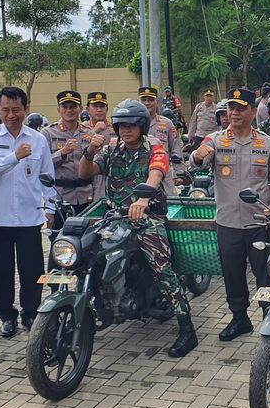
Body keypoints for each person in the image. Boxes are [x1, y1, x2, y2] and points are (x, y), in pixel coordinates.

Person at [79, 99, 198, 358]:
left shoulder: (154, 147)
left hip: (148, 217)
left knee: (162, 268)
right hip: (114, 218)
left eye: (131, 125)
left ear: (142, 126)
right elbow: (85, 172)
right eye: (122, 125)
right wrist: (89, 151)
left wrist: (143, 200)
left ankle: (187, 328)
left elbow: (156, 172)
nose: (126, 130)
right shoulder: (112, 151)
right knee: (83, 253)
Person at [190, 87, 270, 341]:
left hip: (260, 223)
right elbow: (197, 159)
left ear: (254, 112)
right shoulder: (215, 139)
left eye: (241, 108)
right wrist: (197, 155)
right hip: (228, 223)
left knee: (264, 276)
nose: (234, 112)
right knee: (232, 274)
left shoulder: (266, 143)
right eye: (232, 108)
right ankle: (239, 319)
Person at [0, 86, 57, 338]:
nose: (11, 115)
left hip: (29, 217)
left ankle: (30, 312)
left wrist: (51, 207)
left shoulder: (38, 139)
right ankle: (6, 316)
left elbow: (47, 177)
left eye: (16, 109)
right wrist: (14, 156)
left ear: (26, 108)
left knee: (32, 270)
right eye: (5, 110)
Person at [42, 91, 94, 231]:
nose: (69, 110)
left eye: (73, 106)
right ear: (58, 109)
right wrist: (62, 153)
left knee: (88, 240)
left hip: (86, 196)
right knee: (60, 241)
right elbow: (42, 166)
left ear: (81, 109)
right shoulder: (47, 133)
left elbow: (96, 165)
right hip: (60, 197)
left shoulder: (89, 133)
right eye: (65, 107)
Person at [139, 88, 185, 195]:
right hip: (140, 171)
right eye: (144, 100)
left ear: (157, 102)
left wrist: (179, 173)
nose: (147, 103)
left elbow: (175, 148)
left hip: (164, 171)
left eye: (150, 100)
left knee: (170, 202)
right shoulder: (134, 124)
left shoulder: (167, 123)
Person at [83, 92, 115, 200]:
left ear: (107, 108)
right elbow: (78, 149)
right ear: (87, 109)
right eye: (95, 106)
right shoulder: (82, 128)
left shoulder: (115, 127)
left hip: (107, 176)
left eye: (102, 106)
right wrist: (94, 131)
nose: (99, 109)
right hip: (86, 177)